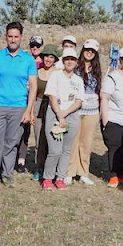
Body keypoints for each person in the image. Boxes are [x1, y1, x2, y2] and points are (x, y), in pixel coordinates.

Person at [0, 22, 38, 188]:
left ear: (21, 37)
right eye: (10, 36)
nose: (13, 39)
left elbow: (33, 86)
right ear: (6, 37)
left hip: (19, 107)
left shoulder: (28, 60)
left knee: (11, 143)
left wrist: (29, 110)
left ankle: (7, 175)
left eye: (16, 36)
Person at [42, 47, 84, 190]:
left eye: (72, 59)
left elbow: (79, 101)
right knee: (54, 150)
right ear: (63, 61)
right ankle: (48, 177)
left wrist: (65, 113)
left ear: (76, 62)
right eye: (67, 59)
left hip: (71, 114)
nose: (69, 62)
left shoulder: (78, 80)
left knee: (66, 150)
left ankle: (60, 177)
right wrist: (59, 114)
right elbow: (52, 96)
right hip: (54, 113)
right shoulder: (56, 75)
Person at [66, 39, 102, 186]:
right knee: (72, 141)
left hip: (92, 111)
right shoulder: (75, 67)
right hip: (75, 108)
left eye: (92, 50)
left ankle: (83, 172)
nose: (89, 52)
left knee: (86, 143)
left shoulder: (97, 70)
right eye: (87, 49)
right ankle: (69, 172)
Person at [101, 46, 123, 187]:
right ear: (119, 60)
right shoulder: (113, 76)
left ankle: (120, 174)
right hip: (115, 118)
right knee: (114, 148)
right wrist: (105, 121)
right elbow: (104, 98)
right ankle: (113, 175)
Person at [15, 35, 45, 173]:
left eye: (38, 46)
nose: (35, 48)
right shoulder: (24, 60)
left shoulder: (45, 63)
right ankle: (20, 159)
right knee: (22, 130)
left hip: (38, 100)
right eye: (33, 45)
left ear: (42, 47)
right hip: (21, 98)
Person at [31, 44, 59, 181]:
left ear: (55, 59)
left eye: (51, 57)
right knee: (39, 138)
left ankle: (51, 169)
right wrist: (30, 111)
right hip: (38, 104)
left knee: (52, 138)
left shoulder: (58, 73)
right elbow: (32, 92)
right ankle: (39, 168)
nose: (48, 59)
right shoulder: (37, 72)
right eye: (46, 56)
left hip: (52, 106)